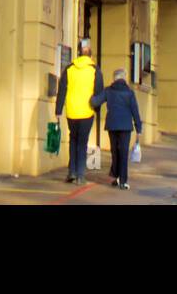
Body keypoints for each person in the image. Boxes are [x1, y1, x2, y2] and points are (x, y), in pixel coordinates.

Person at [54, 38, 104, 183]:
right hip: (87, 112)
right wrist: (97, 109)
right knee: (82, 142)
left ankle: (72, 172)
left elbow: (62, 90)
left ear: (78, 52)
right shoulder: (95, 70)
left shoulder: (69, 69)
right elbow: (99, 91)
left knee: (73, 140)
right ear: (90, 54)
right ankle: (80, 175)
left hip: (72, 111)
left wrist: (58, 110)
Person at [90, 67, 143, 189]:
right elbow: (135, 111)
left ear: (114, 79)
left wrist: (89, 94)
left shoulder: (108, 90)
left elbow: (95, 102)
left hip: (112, 125)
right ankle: (123, 180)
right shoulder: (130, 93)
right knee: (123, 152)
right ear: (124, 78)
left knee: (115, 151)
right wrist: (138, 128)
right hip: (125, 126)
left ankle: (117, 176)